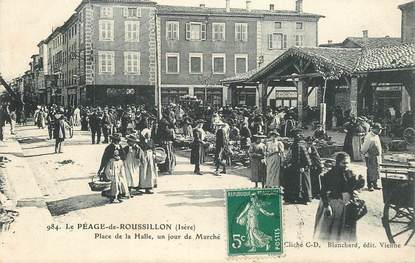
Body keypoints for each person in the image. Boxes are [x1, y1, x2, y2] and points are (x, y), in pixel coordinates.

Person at [314, 152, 365, 241]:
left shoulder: (350, 174)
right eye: (343, 163)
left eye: (348, 163)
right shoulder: (330, 174)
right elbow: (323, 192)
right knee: (331, 231)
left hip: (346, 205)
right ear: (338, 163)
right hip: (333, 205)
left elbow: (354, 188)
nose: (346, 165)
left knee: (345, 232)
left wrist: (359, 185)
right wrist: (326, 206)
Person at [284, 129, 312, 204]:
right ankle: (295, 198)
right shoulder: (294, 145)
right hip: (294, 166)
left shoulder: (301, 145)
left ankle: (305, 199)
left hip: (303, 167)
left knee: (303, 183)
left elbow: (305, 157)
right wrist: (288, 163)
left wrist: (303, 166)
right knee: (295, 182)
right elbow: (291, 156)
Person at [361, 123, 383, 191]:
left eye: (380, 129)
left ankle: (375, 184)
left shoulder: (376, 136)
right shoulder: (369, 136)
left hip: (376, 156)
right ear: (373, 129)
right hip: (370, 156)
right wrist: (364, 154)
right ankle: (370, 185)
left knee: (376, 170)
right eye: (378, 129)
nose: (380, 131)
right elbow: (364, 148)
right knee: (370, 170)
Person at [139, 128, 157, 194]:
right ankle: (143, 186)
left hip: (150, 155)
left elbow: (153, 148)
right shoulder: (142, 142)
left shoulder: (151, 140)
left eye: (149, 134)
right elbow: (140, 149)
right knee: (144, 170)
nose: (148, 135)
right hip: (144, 155)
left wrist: (154, 153)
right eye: (147, 134)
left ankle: (149, 187)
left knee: (150, 170)